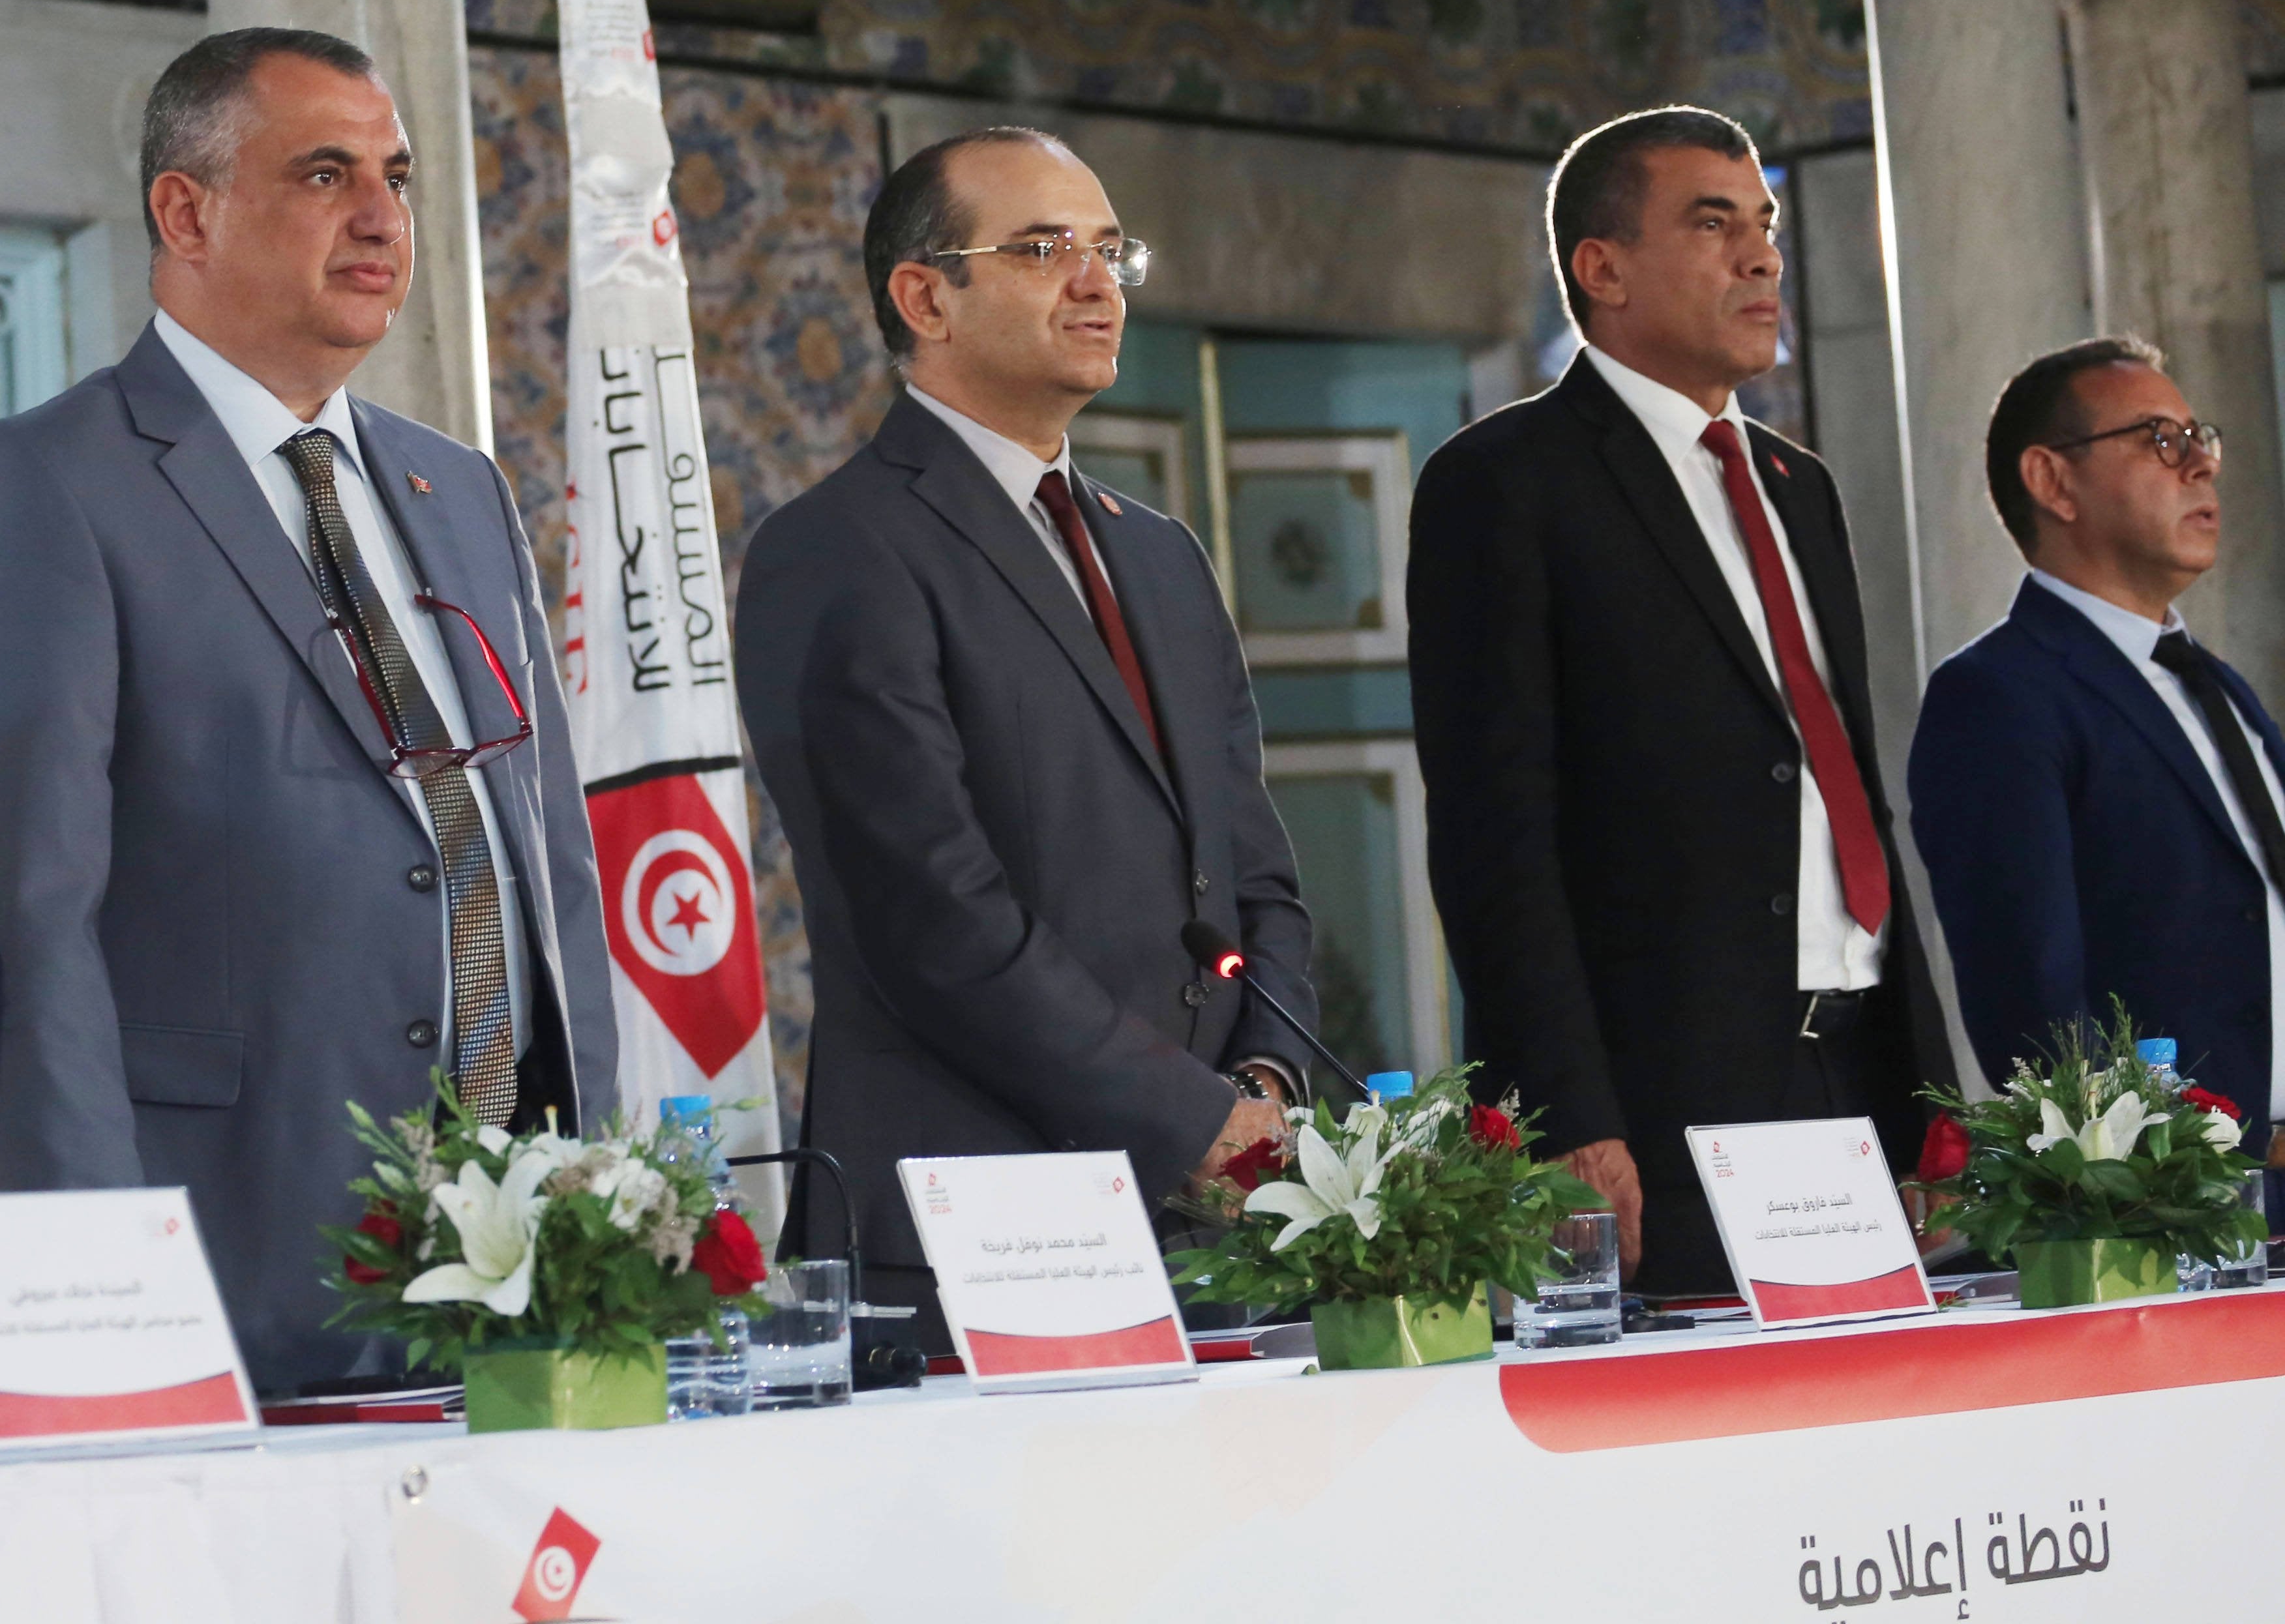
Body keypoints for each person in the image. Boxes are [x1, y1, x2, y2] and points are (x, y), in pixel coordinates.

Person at [0, 26, 610, 1395]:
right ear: (187, 209)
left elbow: (547, 868)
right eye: (326, 174)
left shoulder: (456, 489)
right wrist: (98, 1283)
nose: (381, 218)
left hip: (518, 1249)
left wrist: (590, 1192)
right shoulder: (45, 482)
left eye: (395, 178)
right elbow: (12, 916)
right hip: (228, 1248)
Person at [738, 126, 1317, 1324]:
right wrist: (1192, 1121)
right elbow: (933, 919)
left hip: (1223, 1217)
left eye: (1111, 250)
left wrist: (1263, 1084)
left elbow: (1256, 868)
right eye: (1045, 248)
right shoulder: (838, 549)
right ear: (925, 296)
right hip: (985, 1219)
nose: (1096, 283)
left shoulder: (1159, 554)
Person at [1414, 105, 1949, 1292]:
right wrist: (1562, 1112)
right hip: (1661, 1097)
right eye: (1715, 226)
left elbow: (1841, 781)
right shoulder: (1505, 483)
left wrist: (1930, 1101)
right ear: (1600, 269)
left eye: (1764, 225)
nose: (1763, 257)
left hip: (1855, 1066)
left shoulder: (1797, 486)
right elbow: (1495, 835)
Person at [1909, 340, 2281, 1138]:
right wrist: (2140, 1179)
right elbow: (2031, 997)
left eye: (2200, 439)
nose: (2201, 467)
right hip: (2178, 1200)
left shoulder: (2219, 687)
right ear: (2053, 481)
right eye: (2160, 440)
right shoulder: (2000, 694)